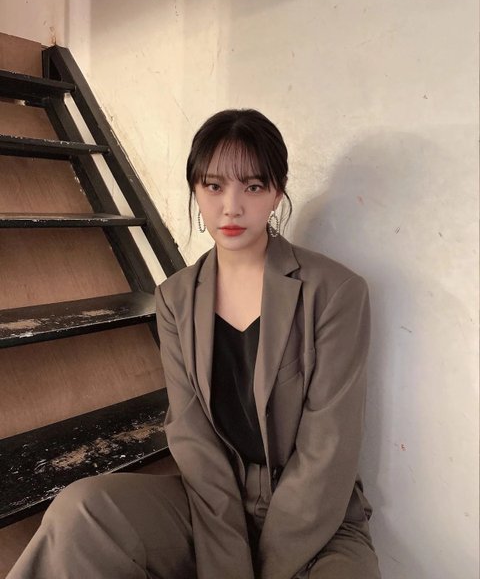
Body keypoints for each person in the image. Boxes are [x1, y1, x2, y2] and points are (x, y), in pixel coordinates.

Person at [7, 109, 381, 579]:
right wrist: (227, 564)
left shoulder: (336, 292)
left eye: (253, 187)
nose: (231, 207)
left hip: (317, 518)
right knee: (82, 511)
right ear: (196, 190)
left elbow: (329, 450)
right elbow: (193, 436)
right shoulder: (175, 298)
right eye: (214, 186)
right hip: (211, 505)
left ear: (277, 192)